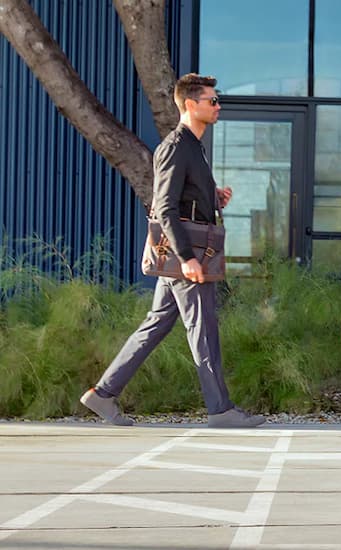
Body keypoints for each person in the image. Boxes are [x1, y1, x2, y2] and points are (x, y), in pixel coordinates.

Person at [79, 73, 264, 429]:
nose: (218, 106)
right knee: (203, 329)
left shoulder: (194, 146)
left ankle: (103, 394)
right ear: (190, 104)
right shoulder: (177, 147)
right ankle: (221, 410)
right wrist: (187, 258)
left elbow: (182, 198)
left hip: (187, 253)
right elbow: (164, 207)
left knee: (156, 325)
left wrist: (213, 197)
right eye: (212, 100)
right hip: (188, 255)